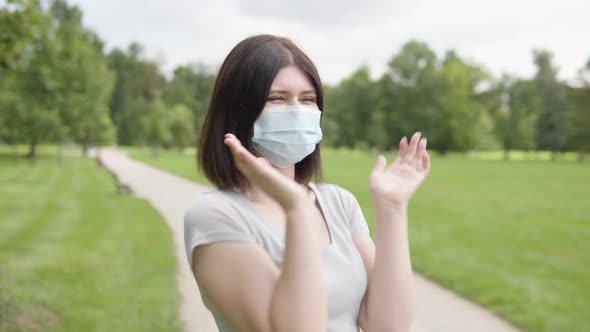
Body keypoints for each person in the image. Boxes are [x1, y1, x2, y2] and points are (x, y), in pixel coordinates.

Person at [184, 34, 430, 332]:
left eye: (307, 99)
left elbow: (387, 326)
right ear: (238, 113)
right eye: (277, 98)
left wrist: (392, 207)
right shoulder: (215, 216)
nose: (297, 111)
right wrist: (296, 208)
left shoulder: (337, 202)